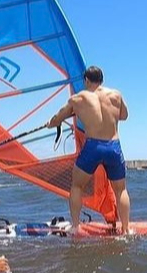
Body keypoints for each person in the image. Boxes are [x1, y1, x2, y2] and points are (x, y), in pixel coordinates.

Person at [47, 65, 130, 234]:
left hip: (93, 147)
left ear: (86, 80)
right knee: (121, 189)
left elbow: (57, 118)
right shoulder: (116, 95)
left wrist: (51, 123)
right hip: (113, 146)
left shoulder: (78, 99)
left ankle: (76, 227)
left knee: (77, 186)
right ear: (101, 80)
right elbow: (124, 116)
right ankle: (126, 230)